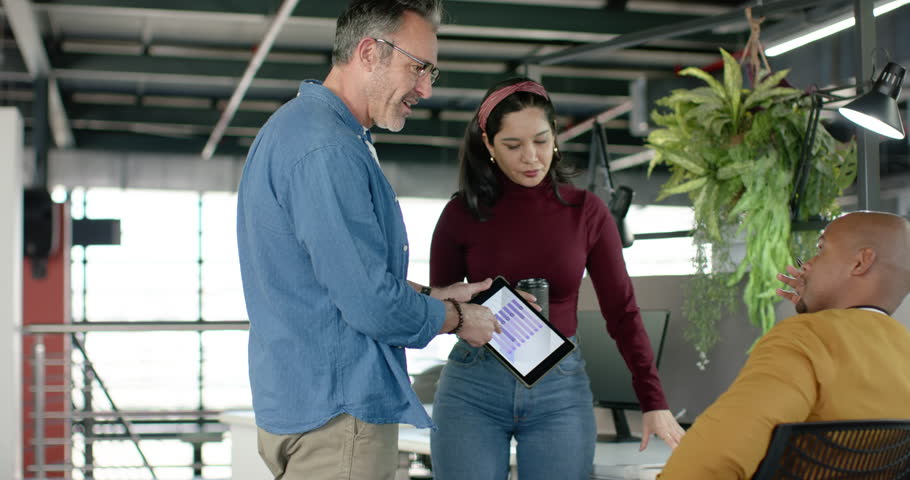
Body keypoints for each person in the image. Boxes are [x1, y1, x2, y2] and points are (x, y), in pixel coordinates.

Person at [235, 1, 502, 479]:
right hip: (340, 418)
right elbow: (370, 303)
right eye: (417, 68)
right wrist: (458, 319)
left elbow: (336, 278)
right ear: (368, 53)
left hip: (304, 403)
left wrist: (435, 295)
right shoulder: (328, 149)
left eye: (432, 73)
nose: (425, 89)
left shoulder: (295, 129)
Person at [428, 77, 686, 480]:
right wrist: (488, 305)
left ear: (555, 137)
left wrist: (654, 401)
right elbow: (438, 309)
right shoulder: (461, 213)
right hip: (474, 385)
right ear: (489, 145)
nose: (531, 157)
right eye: (513, 145)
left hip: (559, 391)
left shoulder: (587, 212)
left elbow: (622, 312)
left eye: (541, 141)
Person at [658, 211, 910, 479]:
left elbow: (712, 459)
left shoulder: (807, 339)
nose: (806, 265)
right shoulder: (899, 347)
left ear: (860, 262)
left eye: (821, 249)